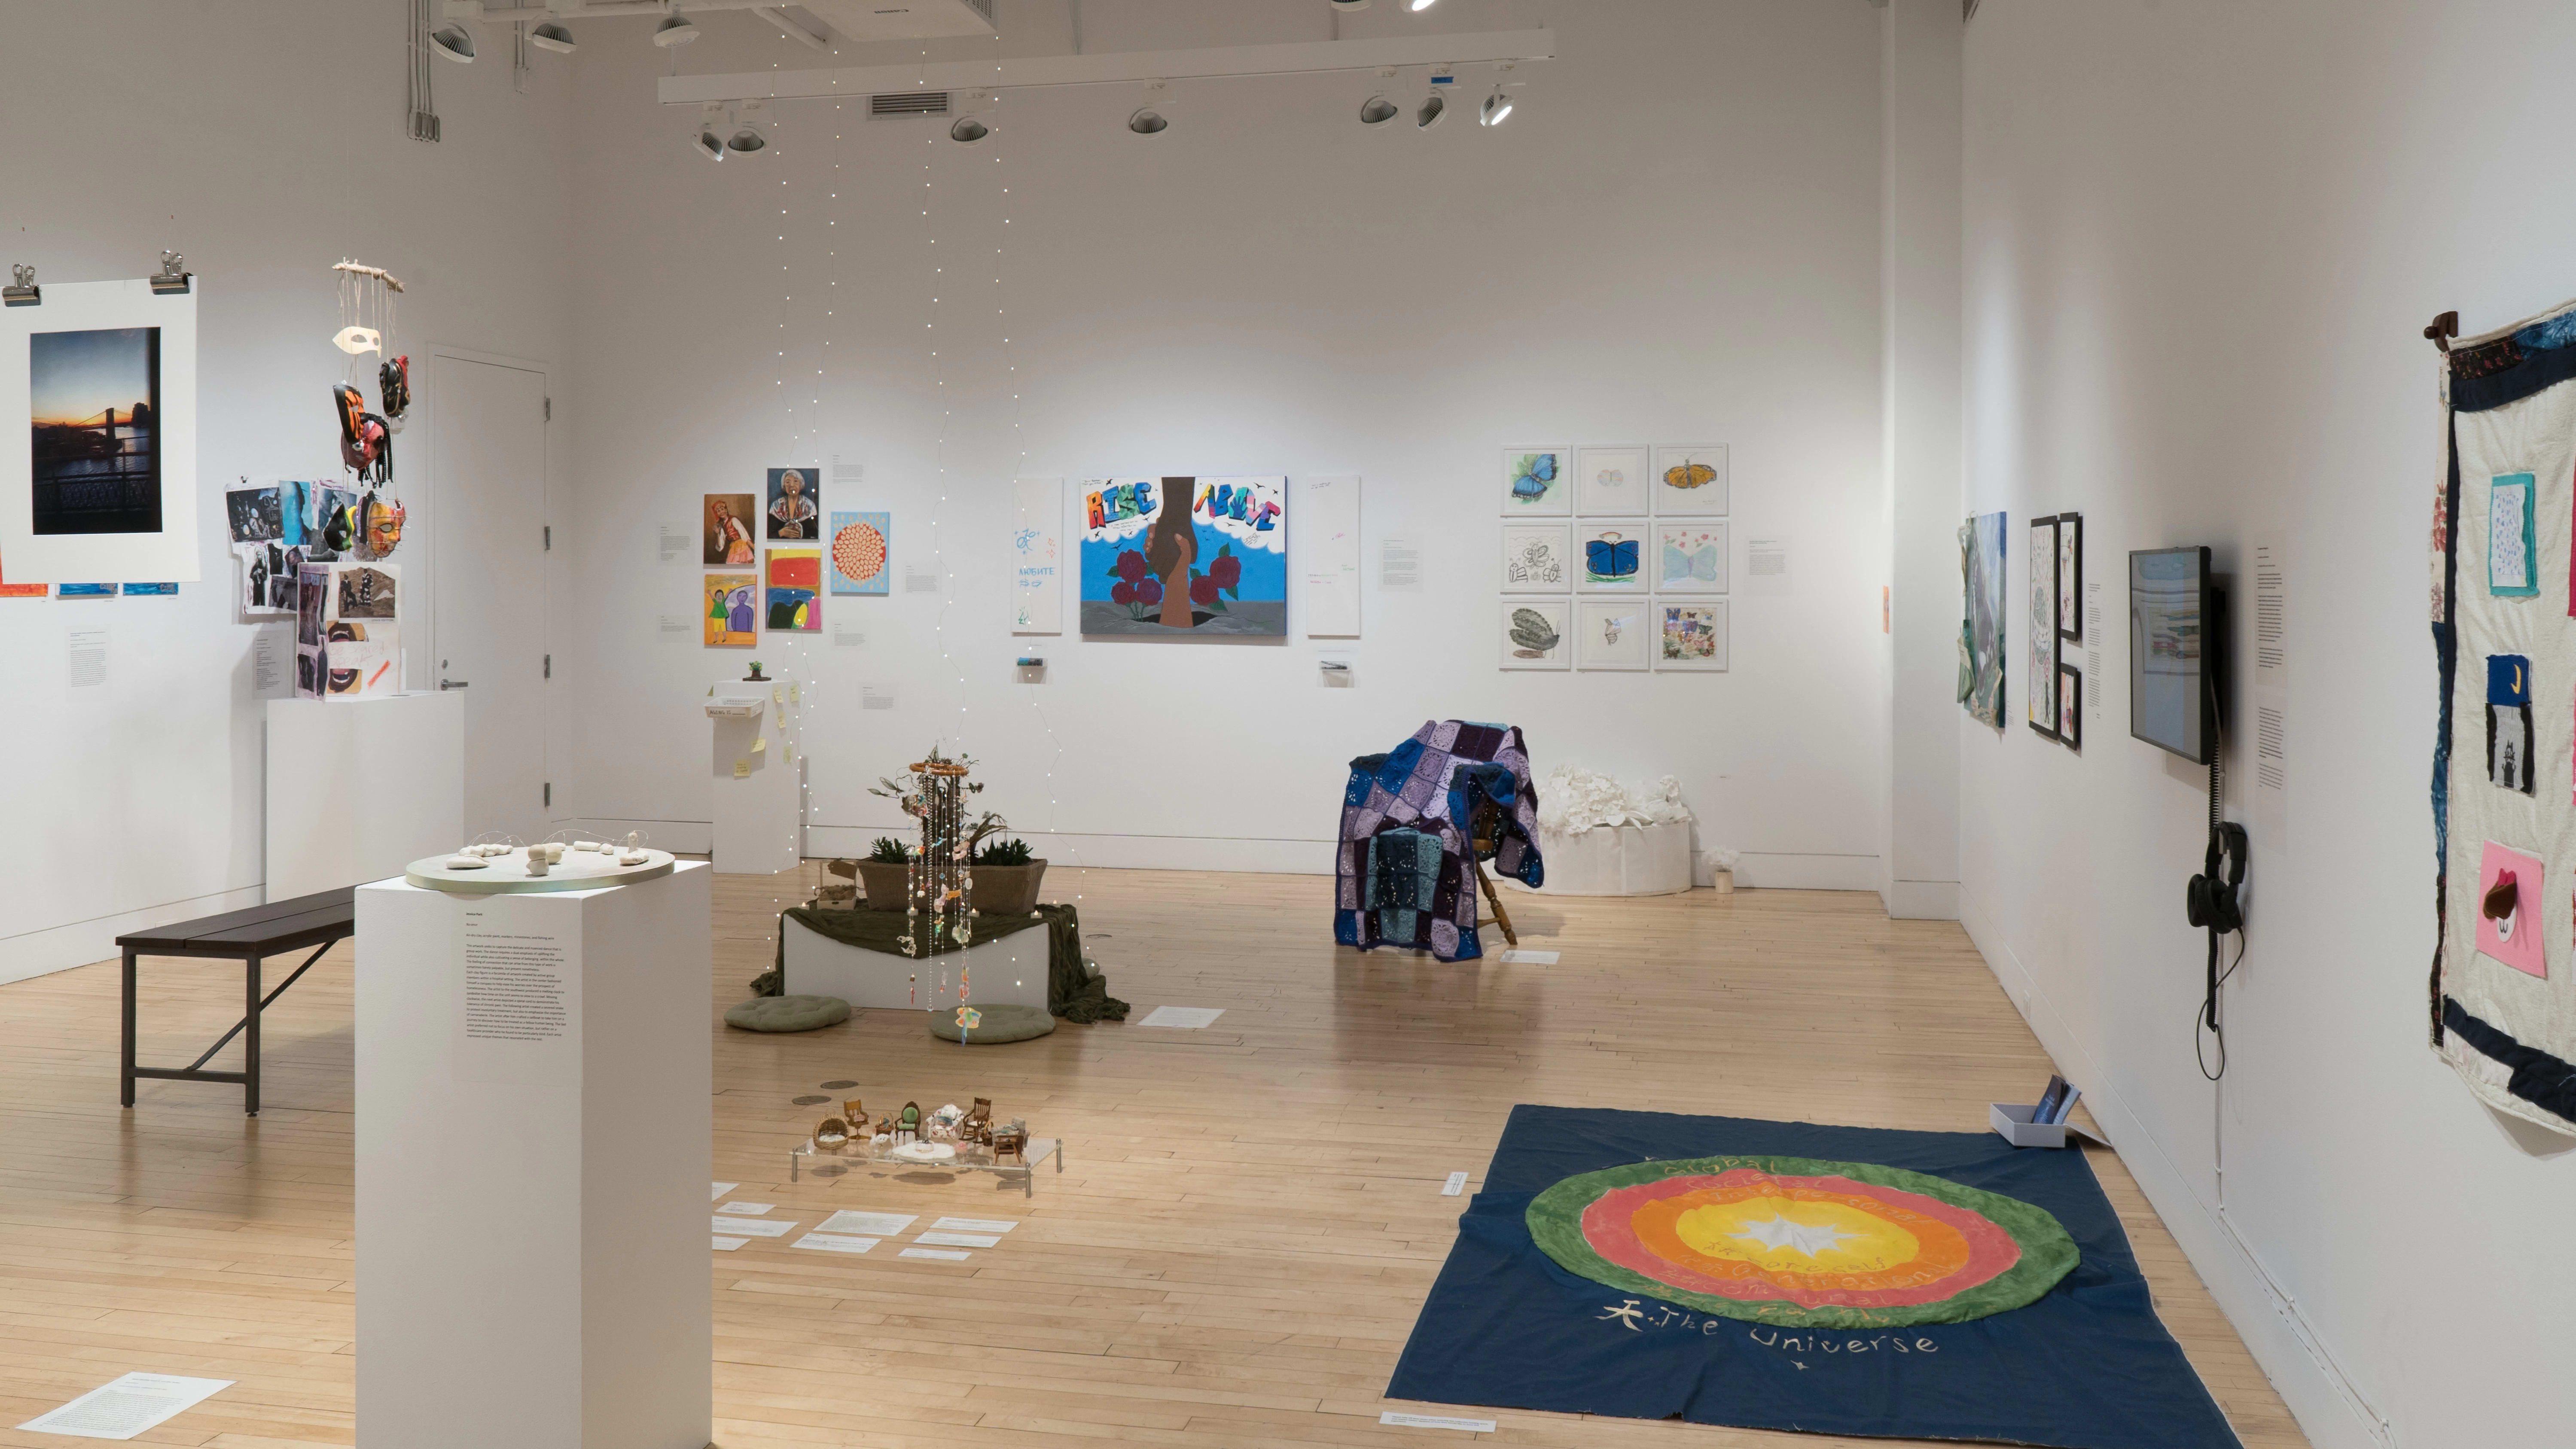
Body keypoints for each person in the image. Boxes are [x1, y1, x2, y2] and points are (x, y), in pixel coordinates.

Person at [768, 469, 816, 539]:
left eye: (796, 481)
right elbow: (769, 535)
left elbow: (815, 535)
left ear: (801, 484)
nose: (792, 485)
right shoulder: (776, 506)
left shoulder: (809, 506)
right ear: (784, 486)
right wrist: (782, 533)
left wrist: (801, 532)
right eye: (788, 482)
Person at [709, 496, 754, 564]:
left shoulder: (734, 520)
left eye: (722, 509)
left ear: (726, 510)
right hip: (733, 549)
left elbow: (744, 535)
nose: (721, 512)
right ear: (717, 514)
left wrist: (754, 548)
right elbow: (721, 546)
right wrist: (718, 534)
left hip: (742, 546)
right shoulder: (721, 527)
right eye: (719, 511)